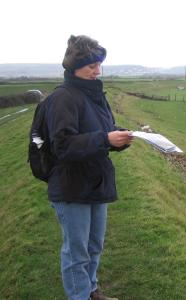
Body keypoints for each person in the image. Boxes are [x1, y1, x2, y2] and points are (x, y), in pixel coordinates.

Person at [46, 35, 133, 300]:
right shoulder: (63, 98)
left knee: (94, 245)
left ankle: (91, 290)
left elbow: (101, 130)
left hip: (96, 181)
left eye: (99, 64)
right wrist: (105, 139)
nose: (97, 70)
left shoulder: (95, 94)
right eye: (91, 65)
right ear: (73, 67)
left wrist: (119, 138)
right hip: (72, 186)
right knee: (76, 252)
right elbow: (62, 145)